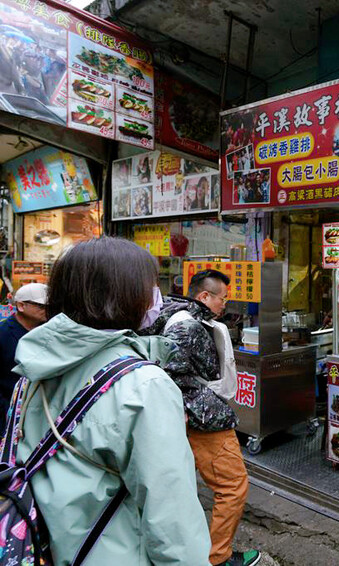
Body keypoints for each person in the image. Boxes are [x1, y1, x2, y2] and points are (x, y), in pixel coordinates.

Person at [10, 237, 210, 564]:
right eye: (150, 286)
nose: (156, 297)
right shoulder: (143, 386)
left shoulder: (32, 369)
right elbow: (173, 525)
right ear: (126, 296)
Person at [141, 269, 260, 566]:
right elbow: (168, 372)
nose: (225, 304)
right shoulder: (187, 326)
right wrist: (192, 409)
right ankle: (217, 558)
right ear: (204, 296)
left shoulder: (176, 315)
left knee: (178, 486)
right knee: (233, 486)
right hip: (203, 418)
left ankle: (181, 548)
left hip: (188, 416)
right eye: (222, 298)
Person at [0, 283, 48, 421]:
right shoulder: (3, 334)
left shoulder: (49, 331)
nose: (46, 310)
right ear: (21, 306)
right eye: (41, 306)